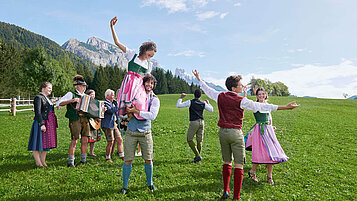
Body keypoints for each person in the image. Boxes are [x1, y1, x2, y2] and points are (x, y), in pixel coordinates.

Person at [192, 70, 299, 200]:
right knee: (239, 164)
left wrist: (199, 79)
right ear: (233, 87)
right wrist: (285, 107)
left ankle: (226, 190)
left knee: (227, 161)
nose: (242, 86)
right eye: (240, 85)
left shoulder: (220, 95)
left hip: (222, 133)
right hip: (236, 133)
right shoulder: (242, 101)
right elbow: (262, 107)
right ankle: (236, 196)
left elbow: (208, 90)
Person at [110, 16, 157, 125]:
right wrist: (112, 27)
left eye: (151, 56)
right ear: (144, 50)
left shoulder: (148, 64)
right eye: (148, 54)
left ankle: (132, 120)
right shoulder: (133, 55)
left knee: (140, 103)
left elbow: (149, 80)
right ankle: (125, 120)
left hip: (139, 85)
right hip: (129, 83)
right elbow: (117, 42)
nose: (148, 57)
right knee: (127, 104)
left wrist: (152, 91)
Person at [120, 74, 160, 195]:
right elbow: (124, 110)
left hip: (145, 132)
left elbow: (152, 116)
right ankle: (125, 186)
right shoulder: (135, 96)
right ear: (143, 83)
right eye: (147, 82)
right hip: (131, 132)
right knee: (127, 160)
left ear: (154, 86)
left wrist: (136, 111)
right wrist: (128, 110)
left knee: (148, 159)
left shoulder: (155, 99)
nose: (149, 85)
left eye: (152, 83)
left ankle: (150, 184)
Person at [245, 88, 289, 185]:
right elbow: (245, 102)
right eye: (259, 94)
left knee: (271, 152)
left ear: (265, 95)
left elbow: (270, 116)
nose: (261, 95)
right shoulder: (255, 105)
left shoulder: (268, 106)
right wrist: (244, 93)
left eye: (263, 94)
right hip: (259, 131)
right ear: (256, 96)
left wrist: (271, 126)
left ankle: (269, 176)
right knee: (259, 152)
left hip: (268, 130)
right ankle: (252, 172)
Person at [56, 75, 90, 167]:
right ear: (77, 86)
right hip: (75, 119)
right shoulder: (71, 94)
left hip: (85, 119)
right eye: (83, 86)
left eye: (85, 86)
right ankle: (71, 162)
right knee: (74, 140)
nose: (85, 88)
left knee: (85, 139)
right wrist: (72, 100)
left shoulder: (86, 96)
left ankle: (83, 160)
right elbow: (58, 103)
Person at [176, 89, 213, 163]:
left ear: (194, 94)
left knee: (189, 139)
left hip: (194, 122)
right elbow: (211, 109)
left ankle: (198, 156)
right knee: (199, 140)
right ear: (200, 95)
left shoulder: (190, 102)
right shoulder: (203, 103)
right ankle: (197, 157)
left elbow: (178, 105)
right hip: (202, 122)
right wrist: (208, 103)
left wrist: (181, 98)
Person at [28, 82, 57, 167]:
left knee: (46, 143)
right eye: (49, 88)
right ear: (43, 88)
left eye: (51, 88)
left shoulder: (47, 98)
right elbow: (38, 112)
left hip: (49, 122)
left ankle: (43, 161)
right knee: (37, 142)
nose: (50, 90)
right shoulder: (38, 98)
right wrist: (42, 124)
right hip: (41, 122)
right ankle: (38, 162)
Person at [101, 89, 124, 162]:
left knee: (119, 139)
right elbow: (110, 110)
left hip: (113, 124)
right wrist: (118, 104)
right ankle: (108, 157)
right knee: (110, 141)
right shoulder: (105, 103)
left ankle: (122, 155)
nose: (113, 97)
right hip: (107, 125)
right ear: (107, 96)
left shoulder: (112, 103)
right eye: (112, 95)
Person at [86, 90, 102, 157]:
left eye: (94, 94)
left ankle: (91, 152)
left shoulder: (96, 102)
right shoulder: (86, 102)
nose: (93, 96)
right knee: (87, 138)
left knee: (94, 138)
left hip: (95, 122)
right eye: (92, 94)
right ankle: (84, 152)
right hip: (89, 122)